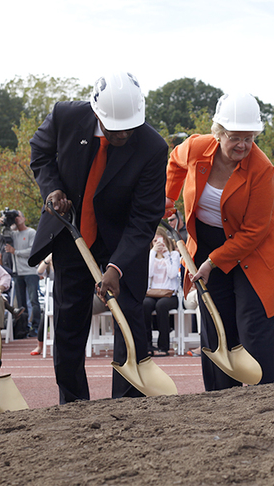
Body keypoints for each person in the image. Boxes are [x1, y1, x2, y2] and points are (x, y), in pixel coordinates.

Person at [29, 71, 168, 403]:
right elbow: (40, 153)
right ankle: (74, 405)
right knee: (68, 325)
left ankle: (127, 403)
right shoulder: (66, 115)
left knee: (130, 321)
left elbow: (144, 217)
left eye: (128, 129)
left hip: (123, 243)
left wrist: (116, 267)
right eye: (113, 129)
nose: (122, 136)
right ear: (96, 113)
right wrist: (53, 190)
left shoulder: (152, 147)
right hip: (72, 233)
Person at [167, 92, 274, 390]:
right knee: (215, 319)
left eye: (249, 138)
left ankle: (264, 396)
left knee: (251, 320)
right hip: (208, 239)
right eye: (235, 137)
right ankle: (221, 397)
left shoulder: (262, 169)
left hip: (256, 248)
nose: (243, 145)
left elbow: (254, 230)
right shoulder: (196, 147)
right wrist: (168, 200)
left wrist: (212, 263)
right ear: (218, 133)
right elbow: (174, 162)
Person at [0, 210, 40, 337]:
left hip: (30, 271)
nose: (17, 218)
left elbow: (33, 250)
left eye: (19, 216)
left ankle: (36, 327)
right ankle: (23, 328)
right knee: (20, 303)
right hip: (17, 272)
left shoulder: (31, 232)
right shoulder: (12, 234)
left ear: (24, 218)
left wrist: (16, 251)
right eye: (15, 217)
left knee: (33, 300)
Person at [143, 228, 181, 356]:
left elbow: (172, 274)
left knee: (161, 306)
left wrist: (166, 255)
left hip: (169, 294)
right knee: (145, 305)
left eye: (160, 240)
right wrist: (153, 253)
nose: (158, 243)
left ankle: (163, 346)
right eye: (155, 241)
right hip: (152, 293)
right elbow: (148, 273)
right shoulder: (149, 255)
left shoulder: (174, 255)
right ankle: (147, 344)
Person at [32, 253, 54, 356]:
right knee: (43, 323)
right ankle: (40, 345)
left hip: (64, 301)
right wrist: (47, 259)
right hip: (50, 303)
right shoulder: (48, 270)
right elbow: (39, 271)